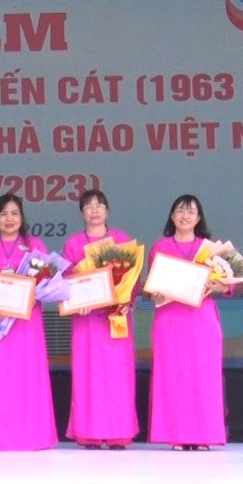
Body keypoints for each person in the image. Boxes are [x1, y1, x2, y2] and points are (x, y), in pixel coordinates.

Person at [147, 194, 229, 451]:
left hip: (201, 320)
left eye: (191, 211)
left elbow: (228, 284)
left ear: (199, 217)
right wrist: (154, 293)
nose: (185, 216)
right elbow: (152, 287)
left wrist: (218, 284)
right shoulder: (160, 247)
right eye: (180, 211)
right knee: (174, 376)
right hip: (170, 321)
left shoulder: (210, 249)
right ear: (172, 216)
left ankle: (204, 435)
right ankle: (177, 435)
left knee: (204, 377)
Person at [0, 194, 56, 451]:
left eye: (14, 213)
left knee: (29, 377)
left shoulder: (34, 245)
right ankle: (3, 438)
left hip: (27, 323)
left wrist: (36, 293)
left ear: (22, 218)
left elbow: (47, 281)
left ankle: (35, 436)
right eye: (3, 214)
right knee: (2, 380)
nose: (9, 219)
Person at [61, 189, 139, 450]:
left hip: (115, 317)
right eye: (88, 206)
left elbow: (132, 279)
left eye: (99, 205)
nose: (94, 210)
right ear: (81, 213)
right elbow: (66, 279)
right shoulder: (73, 244)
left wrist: (126, 301)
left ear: (107, 211)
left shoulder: (121, 240)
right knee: (88, 374)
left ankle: (119, 432)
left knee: (118, 375)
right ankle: (89, 432)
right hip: (86, 319)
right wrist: (76, 301)